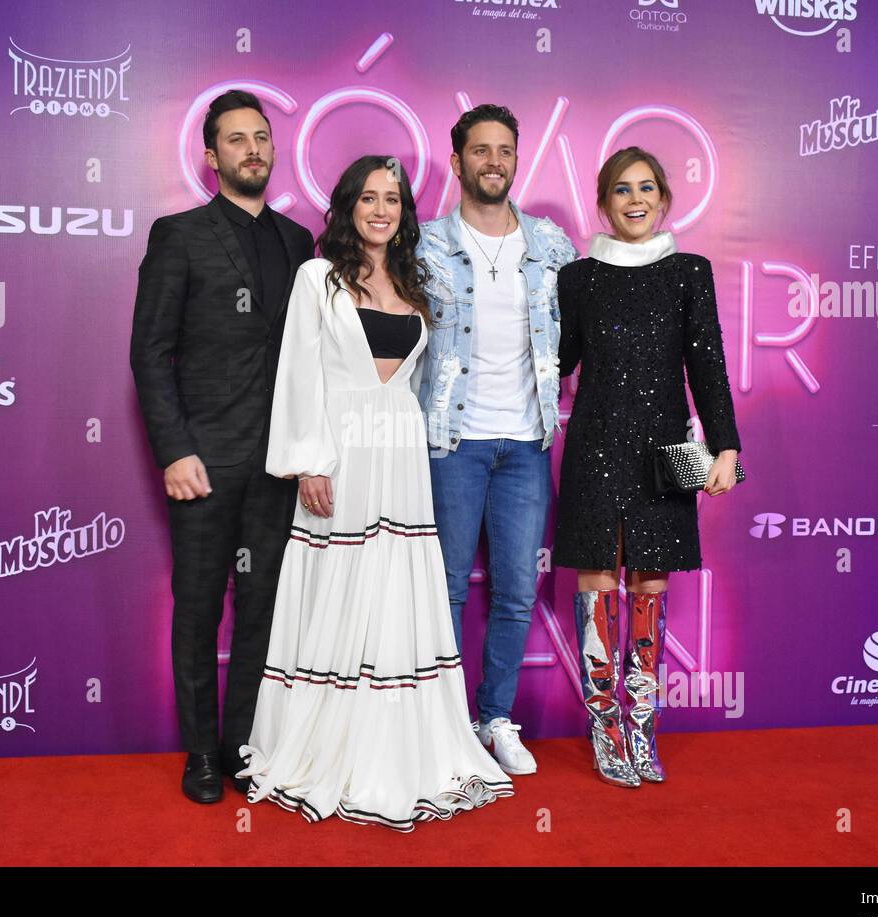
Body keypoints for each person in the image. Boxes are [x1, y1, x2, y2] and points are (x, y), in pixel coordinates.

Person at [237, 155, 512, 831]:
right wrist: (310, 461)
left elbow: (421, 386)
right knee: (339, 587)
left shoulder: (418, 282)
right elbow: (299, 373)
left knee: (398, 591)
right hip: (342, 453)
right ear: (347, 207)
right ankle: (332, 744)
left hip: (401, 454)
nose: (381, 209)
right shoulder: (316, 278)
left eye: (393, 199)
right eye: (369, 198)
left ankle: (401, 747)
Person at [129, 90, 315, 804]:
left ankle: (243, 748)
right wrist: (175, 450)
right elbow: (151, 353)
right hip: (202, 464)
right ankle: (201, 753)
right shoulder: (178, 235)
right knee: (200, 607)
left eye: (262, 137)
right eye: (236, 140)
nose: (253, 150)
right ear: (211, 158)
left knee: (264, 609)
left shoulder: (299, 244)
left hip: (278, 465)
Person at [555, 146, 741, 787]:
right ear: (603, 204)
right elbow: (557, 361)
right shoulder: (578, 278)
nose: (634, 199)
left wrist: (726, 448)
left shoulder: (689, 271)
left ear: (663, 199)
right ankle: (604, 729)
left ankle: (641, 728)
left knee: (651, 583)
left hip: (666, 448)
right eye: (620, 190)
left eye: (646, 189)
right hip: (595, 445)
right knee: (598, 578)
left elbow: (707, 365)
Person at [415, 105, 577, 775]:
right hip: (451, 443)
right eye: (479, 150)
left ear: (516, 158)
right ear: (457, 162)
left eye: (504, 150)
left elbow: (580, 338)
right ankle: (448, 724)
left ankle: (496, 719)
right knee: (446, 588)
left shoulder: (552, 244)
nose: (493, 161)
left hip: (527, 445)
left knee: (515, 590)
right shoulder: (421, 245)